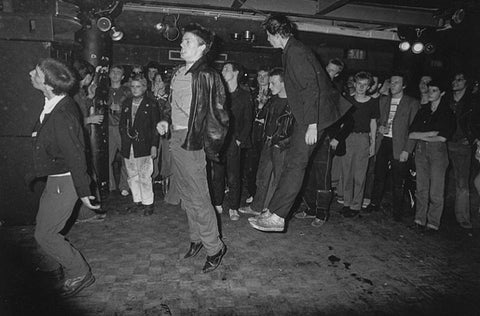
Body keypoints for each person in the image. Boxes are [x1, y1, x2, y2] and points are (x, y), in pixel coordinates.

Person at [249, 14, 350, 232]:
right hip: (308, 115)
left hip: (315, 116)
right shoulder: (291, 50)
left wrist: (312, 125)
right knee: (292, 164)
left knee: (296, 165)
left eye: (268, 35)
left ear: (277, 33)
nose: (267, 39)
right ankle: (274, 210)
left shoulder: (295, 52)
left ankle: (278, 217)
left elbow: (311, 88)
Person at [156, 23, 228, 272]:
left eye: (187, 41)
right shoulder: (178, 72)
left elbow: (219, 116)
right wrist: (165, 118)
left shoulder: (208, 75)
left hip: (193, 141)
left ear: (202, 47)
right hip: (176, 138)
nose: (181, 44)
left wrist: (209, 145)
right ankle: (196, 238)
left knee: (198, 197)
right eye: (182, 41)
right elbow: (170, 103)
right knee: (187, 196)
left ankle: (215, 248)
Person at [29, 58, 100, 297]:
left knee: (45, 233)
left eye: (36, 73)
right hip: (57, 178)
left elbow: (76, 155)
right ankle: (53, 267)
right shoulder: (54, 101)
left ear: (48, 84)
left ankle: (79, 272)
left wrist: (84, 190)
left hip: (65, 180)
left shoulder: (62, 114)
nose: (31, 73)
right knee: (44, 226)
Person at [366, 73, 419, 221]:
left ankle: (397, 211)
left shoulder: (412, 103)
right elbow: (376, 119)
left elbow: (414, 129)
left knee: (398, 181)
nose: (393, 85)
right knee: (379, 176)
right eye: (391, 82)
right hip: (384, 142)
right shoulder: (384, 101)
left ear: (403, 86)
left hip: (400, 146)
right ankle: (374, 203)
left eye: (397, 82)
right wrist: (380, 127)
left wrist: (407, 150)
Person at [239, 68, 289, 216]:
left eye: (273, 83)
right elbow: (260, 115)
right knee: (262, 176)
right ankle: (257, 207)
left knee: (278, 179)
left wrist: (282, 143)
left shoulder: (292, 103)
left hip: (281, 144)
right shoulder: (273, 99)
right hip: (267, 141)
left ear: (284, 83)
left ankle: (273, 211)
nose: (270, 86)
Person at [409, 78, 456, 232]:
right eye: (429, 90)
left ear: (442, 93)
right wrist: (430, 133)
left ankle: (433, 222)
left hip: (438, 152)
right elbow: (411, 133)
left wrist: (421, 135)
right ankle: (419, 219)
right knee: (421, 187)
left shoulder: (447, 112)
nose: (430, 93)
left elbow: (442, 137)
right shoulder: (423, 110)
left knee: (436, 190)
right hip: (422, 150)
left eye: (434, 90)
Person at [209, 62, 253, 220]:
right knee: (217, 174)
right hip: (219, 141)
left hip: (235, 141)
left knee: (234, 175)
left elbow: (248, 120)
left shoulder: (244, 95)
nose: (223, 70)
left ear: (236, 72)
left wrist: (240, 140)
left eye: (227, 68)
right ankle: (218, 203)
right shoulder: (218, 94)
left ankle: (234, 207)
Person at [340, 71, 379, 218]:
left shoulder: (372, 103)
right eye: (359, 84)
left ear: (369, 86)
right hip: (348, 138)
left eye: (365, 85)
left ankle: (356, 206)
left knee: (360, 175)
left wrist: (372, 144)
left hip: (363, 139)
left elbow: (373, 123)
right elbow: (342, 122)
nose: (361, 87)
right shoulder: (347, 100)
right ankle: (346, 204)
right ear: (354, 84)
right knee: (347, 172)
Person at [72, 59, 106, 223]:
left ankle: (90, 209)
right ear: (85, 76)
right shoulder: (74, 93)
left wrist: (91, 96)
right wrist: (90, 119)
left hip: (80, 138)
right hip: (77, 138)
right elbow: (73, 121)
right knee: (84, 173)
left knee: (87, 172)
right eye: (90, 77)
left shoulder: (78, 91)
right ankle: (85, 212)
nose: (91, 80)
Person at [119, 75, 159, 216]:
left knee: (145, 175)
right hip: (128, 145)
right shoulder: (126, 103)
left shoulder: (151, 104)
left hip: (144, 145)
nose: (135, 89)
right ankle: (137, 201)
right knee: (132, 175)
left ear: (144, 87)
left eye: (138, 86)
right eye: (133, 86)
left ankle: (148, 203)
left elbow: (155, 127)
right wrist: (125, 138)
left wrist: (154, 145)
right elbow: (122, 124)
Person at [447, 72, 477, 232]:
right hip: (445, 143)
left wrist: (472, 139)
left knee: (462, 183)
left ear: (466, 83)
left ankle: (463, 218)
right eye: (454, 79)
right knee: (439, 178)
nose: (455, 82)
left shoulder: (472, 102)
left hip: (462, 146)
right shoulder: (447, 100)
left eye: (459, 80)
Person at [244, 67, 271, 203]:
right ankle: (252, 193)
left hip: (267, 133)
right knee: (251, 164)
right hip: (253, 133)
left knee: (265, 165)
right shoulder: (251, 93)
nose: (261, 78)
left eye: (265, 75)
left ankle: (264, 196)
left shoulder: (275, 93)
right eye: (259, 75)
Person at [108, 65, 131, 196]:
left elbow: (133, 109)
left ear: (123, 77)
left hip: (123, 128)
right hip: (108, 128)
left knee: (126, 158)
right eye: (113, 72)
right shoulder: (103, 91)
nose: (115, 74)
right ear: (109, 74)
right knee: (106, 159)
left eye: (118, 73)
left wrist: (121, 108)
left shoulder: (127, 92)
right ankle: (110, 185)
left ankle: (124, 186)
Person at [148, 72, 171, 189]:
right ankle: (152, 177)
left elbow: (167, 114)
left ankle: (166, 179)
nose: (158, 83)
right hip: (153, 133)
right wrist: (155, 97)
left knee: (167, 156)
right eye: (156, 81)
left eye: (160, 80)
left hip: (167, 132)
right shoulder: (150, 97)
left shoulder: (170, 97)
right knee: (153, 156)